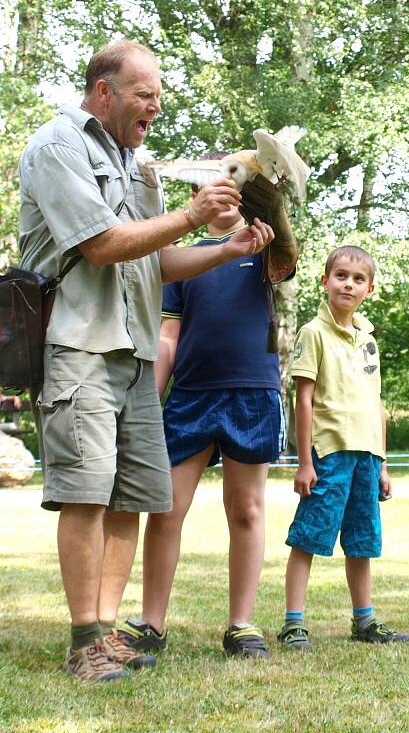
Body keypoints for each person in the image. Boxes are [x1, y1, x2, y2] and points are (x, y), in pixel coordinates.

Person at [18, 40, 275, 681]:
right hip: (78, 345)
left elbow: (153, 260)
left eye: (159, 95)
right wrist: (192, 214)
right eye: (145, 94)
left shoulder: (139, 166)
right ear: (104, 91)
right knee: (84, 496)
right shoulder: (58, 146)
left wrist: (226, 249)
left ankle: (108, 633)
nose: (155, 108)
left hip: (132, 351)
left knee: (131, 497)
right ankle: (84, 642)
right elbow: (103, 245)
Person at [118, 165, 298, 659]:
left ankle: (241, 624)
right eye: (210, 184)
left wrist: (271, 196)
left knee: (246, 510)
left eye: (232, 184)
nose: (222, 192)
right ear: (196, 195)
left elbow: (287, 251)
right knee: (167, 509)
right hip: (191, 397)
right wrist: (146, 407)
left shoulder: (263, 245)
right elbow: (167, 338)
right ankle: (151, 622)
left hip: (252, 394)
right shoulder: (179, 260)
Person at [277, 245, 409, 649]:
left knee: (362, 540)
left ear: (369, 289)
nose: (348, 284)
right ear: (325, 281)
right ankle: (293, 622)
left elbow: (378, 405)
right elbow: (303, 400)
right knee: (308, 537)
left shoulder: (368, 339)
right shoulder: (313, 333)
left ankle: (364, 620)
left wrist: (383, 464)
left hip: (367, 456)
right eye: (341, 276)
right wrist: (305, 462)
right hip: (329, 453)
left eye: (358, 279)